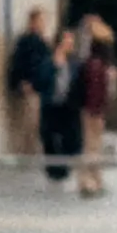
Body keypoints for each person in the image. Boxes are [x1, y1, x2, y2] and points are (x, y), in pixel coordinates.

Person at [5, 7, 53, 156]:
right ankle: (26, 152)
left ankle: (30, 151)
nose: (42, 24)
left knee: (34, 122)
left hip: (39, 87)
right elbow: (21, 63)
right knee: (30, 121)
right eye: (40, 20)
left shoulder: (40, 41)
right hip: (32, 87)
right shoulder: (27, 41)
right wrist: (24, 82)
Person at [37, 25, 82, 183]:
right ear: (59, 42)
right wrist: (54, 69)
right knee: (49, 139)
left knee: (68, 140)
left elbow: (78, 83)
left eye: (72, 40)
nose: (70, 43)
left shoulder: (74, 63)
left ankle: (63, 170)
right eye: (68, 40)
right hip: (51, 106)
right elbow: (41, 81)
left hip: (68, 108)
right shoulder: (48, 62)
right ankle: (53, 172)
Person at [75, 17, 112, 196]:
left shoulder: (94, 63)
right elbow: (95, 91)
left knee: (93, 146)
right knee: (91, 146)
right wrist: (95, 111)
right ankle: (88, 181)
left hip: (93, 109)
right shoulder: (96, 64)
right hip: (93, 110)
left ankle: (95, 179)